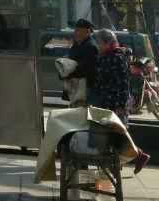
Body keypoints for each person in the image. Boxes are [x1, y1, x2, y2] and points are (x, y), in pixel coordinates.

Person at [91, 28, 150, 175]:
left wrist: (120, 106)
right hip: (106, 101)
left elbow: (123, 84)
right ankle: (133, 158)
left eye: (99, 43)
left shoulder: (116, 58)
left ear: (107, 43)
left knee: (117, 136)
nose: (97, 46)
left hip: (116, 103)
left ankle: (134, 158)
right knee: (114, 136)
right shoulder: (105, 56)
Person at [64, 18, 98, 104]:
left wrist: (68, 72)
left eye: (78, 30)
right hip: (74, 86)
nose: (75, 33)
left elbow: (87, 69)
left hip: (83, 88)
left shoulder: (91, 47)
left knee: (81, 110)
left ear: (87, 32)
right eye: (75, 30)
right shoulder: (77, 44)